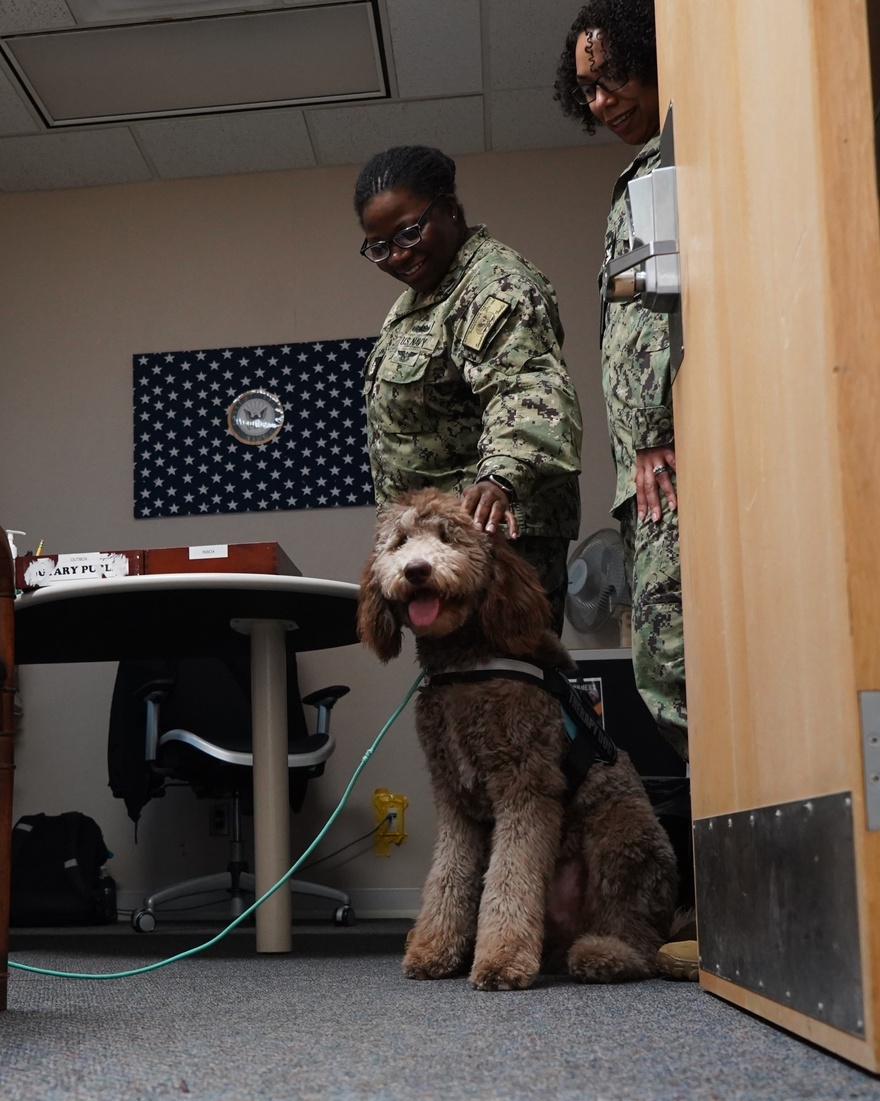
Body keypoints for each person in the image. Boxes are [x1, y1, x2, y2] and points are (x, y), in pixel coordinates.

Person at [555, 0, 695, 981]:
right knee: (667, 672)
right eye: (588, 85)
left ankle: (728, 898)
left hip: (668, 459)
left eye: (613, 76)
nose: (602, 98)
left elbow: (657, 317)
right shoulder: (647, 166)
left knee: (677, 667)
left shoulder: (688, 153)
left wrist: (648, 434)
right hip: (651, 463)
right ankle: (720, 898)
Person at [354, 145, 583, 633]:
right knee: (462, 692)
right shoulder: (420, 299)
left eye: (409, 232)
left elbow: (525, 389)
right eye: (379, 246)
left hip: (494, 537)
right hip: (434, 546)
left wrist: (499, 477)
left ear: (451, 211)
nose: (398, 255)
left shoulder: (493, 285)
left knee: (506, 686)